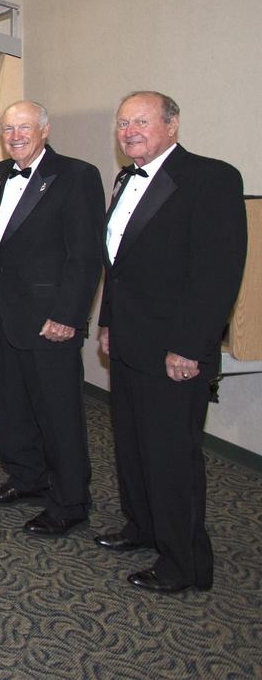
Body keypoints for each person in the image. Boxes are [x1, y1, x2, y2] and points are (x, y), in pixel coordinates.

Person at [96, 91, 246, 594]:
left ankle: (184, 564)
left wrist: (189, 346)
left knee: (171, 457)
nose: (129, 131)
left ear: (172, 124)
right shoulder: (125, 178)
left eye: (141, 121)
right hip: (129, 341)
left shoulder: (211, 178)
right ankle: (142, 527)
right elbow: (118, 266)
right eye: (123, 123)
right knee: (132, 445)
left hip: (173, 349)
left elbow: (216, 275)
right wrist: (109, 322)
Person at [0, 101, 105, 536]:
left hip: (50, 319)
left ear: (45, 130)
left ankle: (70, 500)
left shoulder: (76, 175)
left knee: (58, 412)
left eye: (24, 128)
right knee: (11, 404)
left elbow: (85, 255)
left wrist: (68, 315)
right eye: (8, 129)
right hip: (2, 313)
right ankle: (26, 477)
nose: (15, 136)